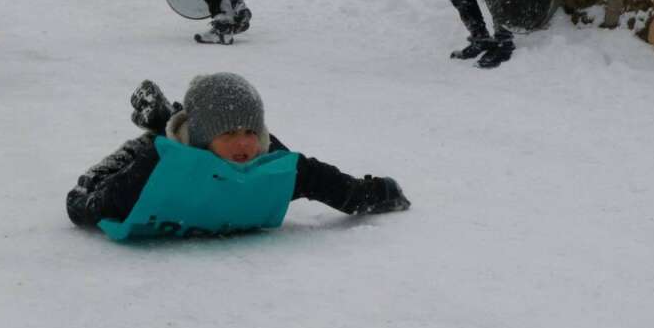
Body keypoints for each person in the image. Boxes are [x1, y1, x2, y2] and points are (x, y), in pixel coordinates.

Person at [66, 74, 410, 231]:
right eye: (229, 134)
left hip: (204, 137)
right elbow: (90, 197)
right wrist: (85, 202)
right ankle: (163, 119)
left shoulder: (264, 157)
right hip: (175, 146)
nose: (243, 143)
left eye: (250, 132)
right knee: (160, 138)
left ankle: (170, 112)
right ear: (204, 136)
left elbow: (330, 184)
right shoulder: (156, 162)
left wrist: (377, 193)